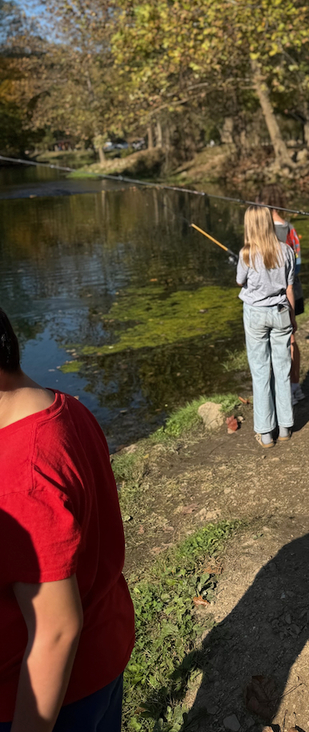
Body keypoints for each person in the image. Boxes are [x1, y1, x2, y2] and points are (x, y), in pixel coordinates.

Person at [0, 308, 134, 732]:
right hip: (104, 645)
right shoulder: (63, 407)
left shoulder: (20, 479)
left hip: (44, 696)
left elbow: (56, 631)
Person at [236, 205, 296, 447]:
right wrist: (293, 318)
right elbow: (289, 287)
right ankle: (284, 428)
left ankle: (266, 432)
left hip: (255, 315)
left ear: (250, 226)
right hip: (281, 311)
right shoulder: (286, 250)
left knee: (261, 371)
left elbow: (239, 280)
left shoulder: (246, 254)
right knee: (282, 369)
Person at [259, 184, 305, 405]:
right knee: (292, 339)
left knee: (274, 342)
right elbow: (297, 264)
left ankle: (282, 390)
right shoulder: (290, 229)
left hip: (273, 296)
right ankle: (295, 387)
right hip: (293, 289)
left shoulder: (260, 232)